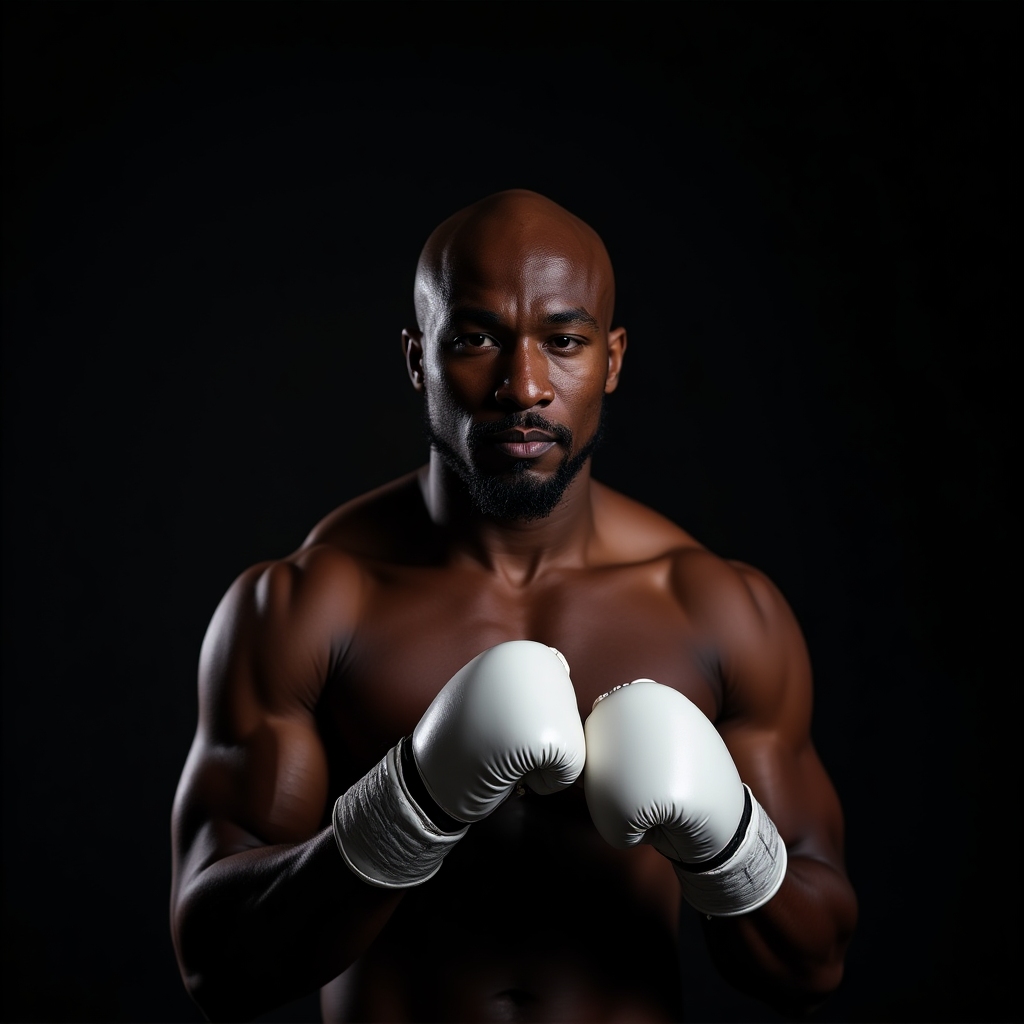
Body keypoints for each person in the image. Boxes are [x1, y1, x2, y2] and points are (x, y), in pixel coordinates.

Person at [170, 189, 857, 1022]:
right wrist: (409, 805)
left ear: (612, 358)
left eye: (563, 341)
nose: (523, 385)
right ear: (418, 358)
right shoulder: (304, 606)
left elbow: (813, 961)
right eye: (475, 339)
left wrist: (728, 841)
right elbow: (217, 965)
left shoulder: (719, 612)